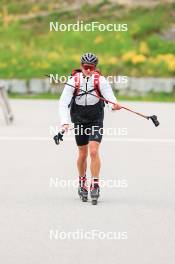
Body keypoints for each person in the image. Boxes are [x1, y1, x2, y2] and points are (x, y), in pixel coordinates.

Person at [59, 53, 122, 204]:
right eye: (85, 67)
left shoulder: (101, 81)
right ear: (81, 66)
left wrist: (114, 105)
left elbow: (110, 98)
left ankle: (95, 184)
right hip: (79, 118)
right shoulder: (73, 81)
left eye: (91, 68)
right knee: (82, 153)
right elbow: (63, 103)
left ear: (95, 68)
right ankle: (82, 182)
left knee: (93, 151)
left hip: (95, 118)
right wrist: (65, 122)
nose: (88, 70)